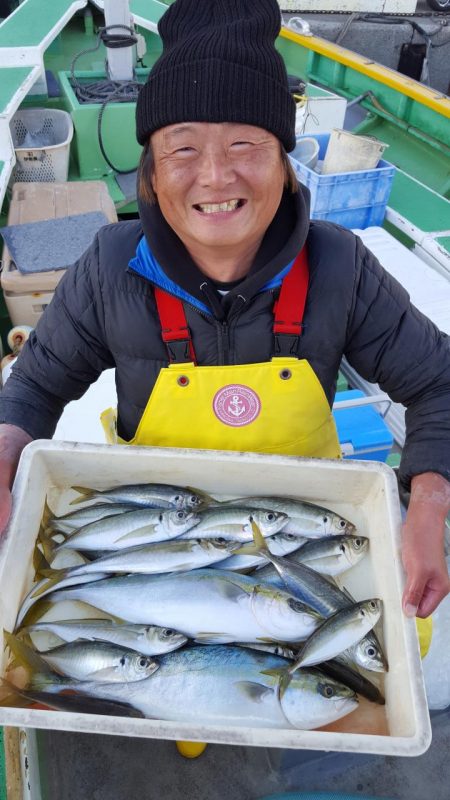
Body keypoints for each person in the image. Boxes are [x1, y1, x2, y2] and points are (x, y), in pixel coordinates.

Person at [0, 0, 449, 623]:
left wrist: (427, 507)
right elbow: (35, 386)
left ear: (285, 166)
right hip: (150, 543)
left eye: (245, 143)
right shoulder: (109, 266)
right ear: (151, 174)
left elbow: (438, 384)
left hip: (302, 547)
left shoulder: (340, 266)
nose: (214, 176)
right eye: (182, 149)